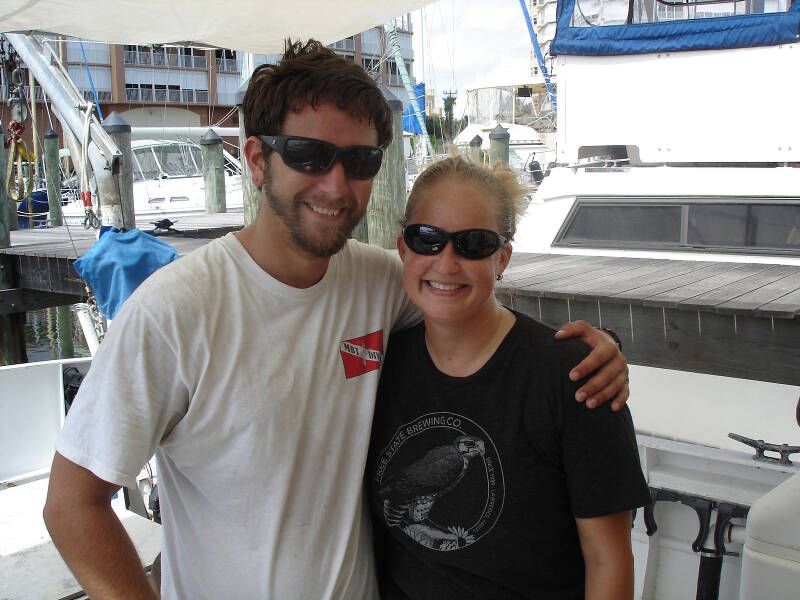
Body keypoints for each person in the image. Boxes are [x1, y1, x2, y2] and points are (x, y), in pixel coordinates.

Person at [43, 40, 630, 599]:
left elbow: (465, 300)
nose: (335, 184)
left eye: (359, 160)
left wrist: (595, 348)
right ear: (255, 159)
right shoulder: (172, 312)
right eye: (308, 155)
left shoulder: (377, 282)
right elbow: (71, 506)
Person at [366, 156, 650, 599]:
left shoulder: (575, 378)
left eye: (473, 244)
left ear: (503, 258)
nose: (446, 262)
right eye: (428, 239)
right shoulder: (382, 365)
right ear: (404, 249)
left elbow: (609, 559)